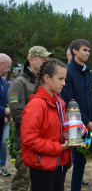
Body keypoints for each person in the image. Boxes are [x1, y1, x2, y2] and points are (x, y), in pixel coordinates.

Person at [21, 59, 72, 191]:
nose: (64, 83)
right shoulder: (36, 105)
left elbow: (57, 131)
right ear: (47, 78)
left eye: (64, 79)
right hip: (42, 166)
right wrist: (58, 147)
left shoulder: (59, 103)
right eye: (60, 79)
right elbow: (29, 139)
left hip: (60, 163)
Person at [8, 45, 52, 190]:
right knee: (23, 181)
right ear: (32, 60)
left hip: (44, 141)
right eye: (43, 59)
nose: (47, 62)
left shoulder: (44, 81)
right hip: (27, 142)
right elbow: (17, 111)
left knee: (38, 182)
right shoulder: (19, 83)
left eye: (48, 59)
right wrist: (40, 126)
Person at [60, 39, 92, 191]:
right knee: (73, 161)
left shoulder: (87, 71)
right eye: (84, 50)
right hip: (75, 123)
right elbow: (69, 100)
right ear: (74, 51)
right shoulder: (67, 72)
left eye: (89, 50)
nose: (88, 53)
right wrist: (87, 121)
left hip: (89, 122)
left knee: (81, 162)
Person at [0, 53, 11, 176]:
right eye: (8, 67)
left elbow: (4, 101)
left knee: (4, 143)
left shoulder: (3, 82)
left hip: (3, 121)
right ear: (0, 64)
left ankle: (2, 165)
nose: (9, 70)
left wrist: (5, 116)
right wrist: (4, 111)